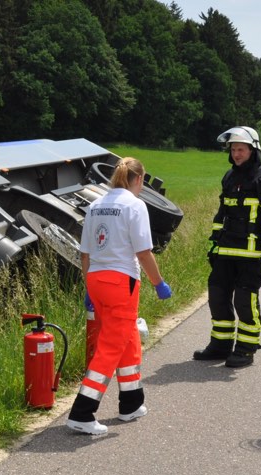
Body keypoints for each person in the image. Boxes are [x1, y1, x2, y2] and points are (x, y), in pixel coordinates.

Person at [66, 157, 173, 436]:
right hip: (120, 281)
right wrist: (158, 282)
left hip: (97, 279)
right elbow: (143, 252)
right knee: (112, 345)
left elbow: (85, 252)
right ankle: (82, 412)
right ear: (139, 180)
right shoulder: (134, 205)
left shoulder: (95, 205)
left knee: (127, 338)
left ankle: (131, 403)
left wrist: (89, 289)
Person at [192, 126, 261, 368]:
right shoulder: (229, 177)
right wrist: (213, 241)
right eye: (233, 149)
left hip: (253, 253)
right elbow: (222, 213)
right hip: (226, 251)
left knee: (245, 300)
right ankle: (220, 345)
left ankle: (246, 348)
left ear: (252, 150)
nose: (236, 154)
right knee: (217, 295)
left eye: (241, 149)